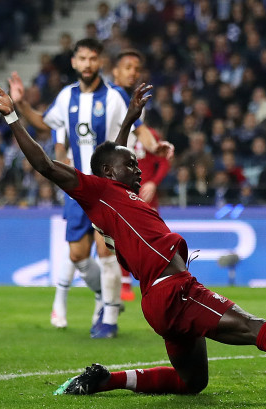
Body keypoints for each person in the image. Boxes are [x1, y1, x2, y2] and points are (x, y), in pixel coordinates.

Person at [0, 80, 266, 395]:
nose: (139, 170)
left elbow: (112, 155)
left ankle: (106, 380)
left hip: (162, 296)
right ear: (107, 175)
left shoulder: (114, 192)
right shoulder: (97, 190)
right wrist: (13, 116)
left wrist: (129, 120)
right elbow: (47, 165)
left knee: (194, 383)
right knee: (254, 327)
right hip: (173, 290)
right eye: (130, 165)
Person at [7, 38, 171, 337]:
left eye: (93, 59)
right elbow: (45, 123)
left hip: (108, 188)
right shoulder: (67, 96)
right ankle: (106, 299)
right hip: (77, 185)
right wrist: (20, 104)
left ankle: (108, 318)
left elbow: (139, 127)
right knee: (78, 256)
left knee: (105, 252)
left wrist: (154, 146)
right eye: (82, 59)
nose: (87, 64)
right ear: (74, 62)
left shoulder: (114, 97)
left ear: (100, 63)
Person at [110, 48, 172, 303]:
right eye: (128, 68)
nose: (133, 73)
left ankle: (149, 280)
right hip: (117, 186)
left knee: (147, 236)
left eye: (137, 69)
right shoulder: (111, 103)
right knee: (117, 236)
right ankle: (119, 286)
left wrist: (153, 183)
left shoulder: (145, 131)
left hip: (144, 191)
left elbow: (163, 160)